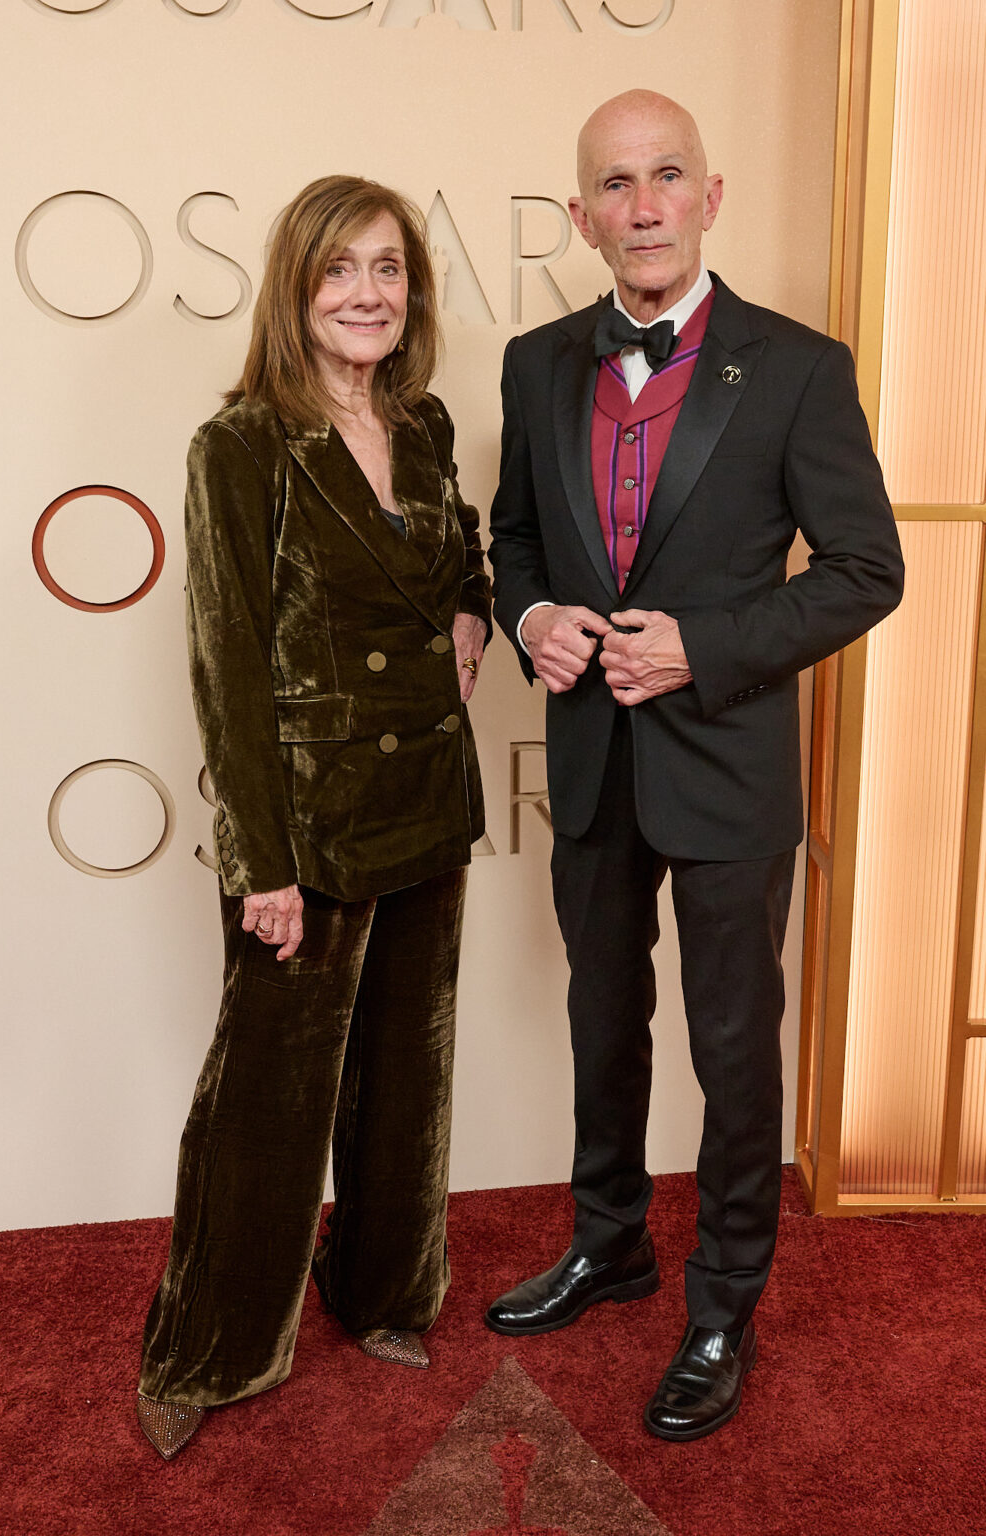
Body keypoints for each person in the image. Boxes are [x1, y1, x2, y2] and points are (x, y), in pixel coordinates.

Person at [485, 90, 903, 1441]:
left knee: (731, 1050)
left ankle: (723, 1303)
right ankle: (608, 1243)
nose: (644, 205)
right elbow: (514, 544)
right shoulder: (534, 363)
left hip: (727, 767)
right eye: (614, 184)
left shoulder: (798, 368)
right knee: (601, 1022)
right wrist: (531, 620)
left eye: (667, 176)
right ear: (581, 216)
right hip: (592, 763)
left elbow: (866, 569)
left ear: (710, 197)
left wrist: (701, 648)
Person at [136, 175, 490, 1460]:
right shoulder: (239, 445)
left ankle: (382, 1291)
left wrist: (473, 608)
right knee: (267, 1102)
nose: (366, 294)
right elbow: (226, 664)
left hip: (425, 799)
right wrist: (261, 866)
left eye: (388, 269)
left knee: (407, 1077)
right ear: (295, 288)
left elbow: (459, 555)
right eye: (339, 269)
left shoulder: (426, 421)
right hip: (309, 824)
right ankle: (210, 1346)